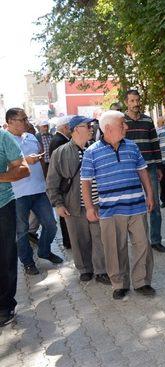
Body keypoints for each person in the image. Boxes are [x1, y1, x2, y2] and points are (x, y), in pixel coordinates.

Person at [81, 110, 156, 300]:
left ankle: (142, 282)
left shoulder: (132, 147)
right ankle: (119, 284)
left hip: (137, 206)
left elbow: (143, 171)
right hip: (110, 210)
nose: (126, 127)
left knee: (142, 246)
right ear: (108, 128)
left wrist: (150, 195)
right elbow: (86, 182)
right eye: (122, 124)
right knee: (114, 248)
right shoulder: (91, 152)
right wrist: (90, 208)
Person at [46, 116, 109, 284]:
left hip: (97, 203)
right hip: (72, 205)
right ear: (75, 129)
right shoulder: (60, 153)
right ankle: (84, 269)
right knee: (79, 239)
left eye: (91, 125)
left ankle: (101, 270)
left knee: (99, 238)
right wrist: (57, 204)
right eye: (87, 125)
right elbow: (52, 181)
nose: (91, 128)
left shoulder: (97, 149)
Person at [6, 108, 63, 276]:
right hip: (17, 194)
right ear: (10, 122)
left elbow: (41, 160)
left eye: (26, 118)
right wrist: (26, 160)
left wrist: (46, 179)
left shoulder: (31, 136)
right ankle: (27, 262)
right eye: (22, 119)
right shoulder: (4, 140)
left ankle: (44, 251)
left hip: (39, 189)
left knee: (51, 225)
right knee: (22, 231)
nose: (26, 122)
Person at [123, 89, 165, 252]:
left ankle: (156, 240)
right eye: (132, 101)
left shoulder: (148, 121)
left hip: (150, 168)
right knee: (132, 206)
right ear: (126, 102)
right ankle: (138, 241)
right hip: (129, 170)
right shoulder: (121, 122)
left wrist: (159, 166)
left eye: (137, 100)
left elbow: (155, 143)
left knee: (153, 204)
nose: (135, 104)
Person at [0, 127, 30, 327]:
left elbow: (23, 168)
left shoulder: (3, 137)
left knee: (5, 256)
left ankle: (4, 306)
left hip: (2, 206)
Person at [50, 115, 73, 249]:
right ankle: (68, 241)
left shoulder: (59, 139)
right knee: (66, 216)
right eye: (70, 128)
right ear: (65, 127)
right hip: (64, 184)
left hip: (63, 183)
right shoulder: (59, 140)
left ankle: (68, 241)